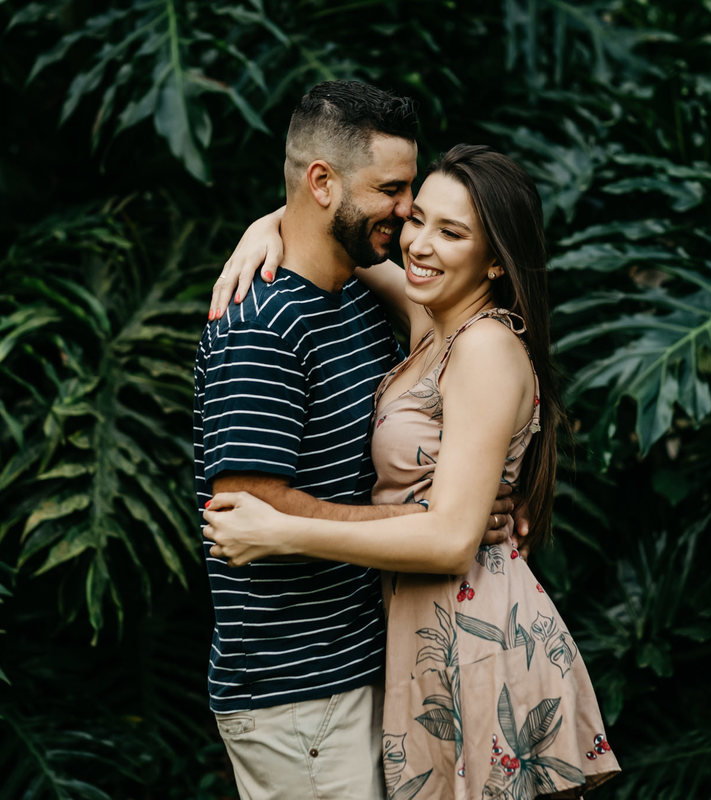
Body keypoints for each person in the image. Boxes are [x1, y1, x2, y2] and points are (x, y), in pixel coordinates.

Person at [205, 145, 620, 799]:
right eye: (417, 219)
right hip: (428, 636)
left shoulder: (483, 347)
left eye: (451, 232)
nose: (419, 245)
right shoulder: (437, 319)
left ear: (494, 259)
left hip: (476, 637)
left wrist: (282, 531)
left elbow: (451, 540)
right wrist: (266, 228)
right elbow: (330, 230)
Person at [193, 81, 515, 800]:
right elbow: (248, 513)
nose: (407, 213)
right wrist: (425, 523)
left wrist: (270, 220)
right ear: (322, 183)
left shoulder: (363, 296)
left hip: (373, 664)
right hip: (298, 691)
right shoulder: (262, 325)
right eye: (392, 190)